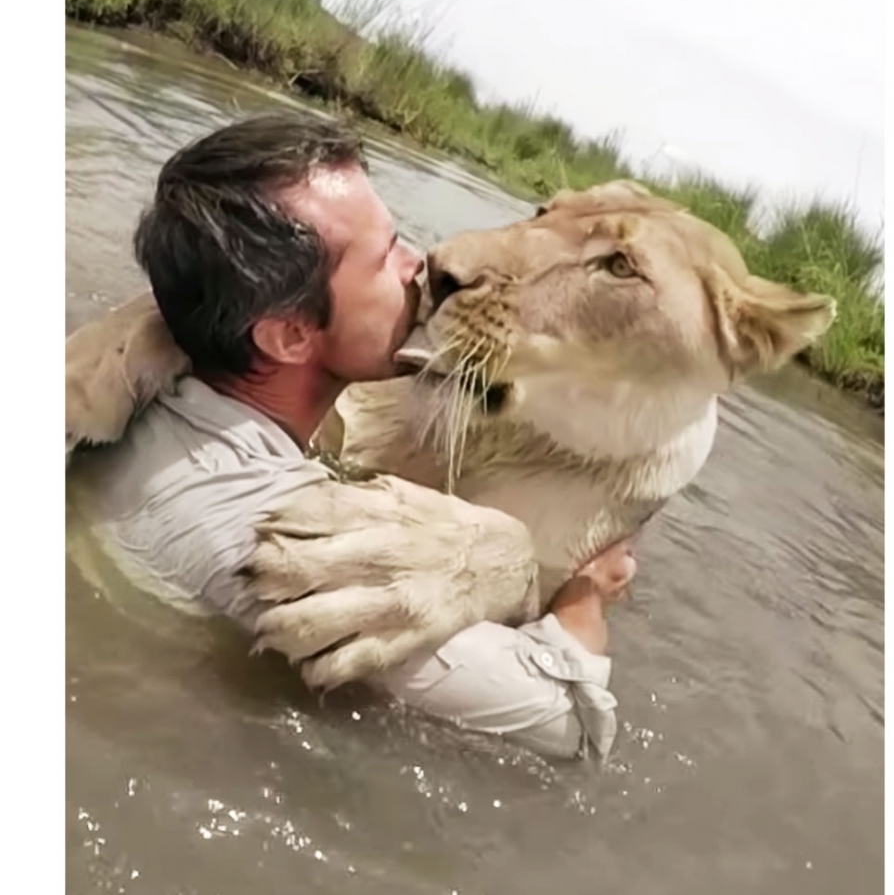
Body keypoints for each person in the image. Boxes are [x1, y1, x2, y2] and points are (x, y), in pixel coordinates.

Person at [66, 113, 636, 761]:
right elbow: (575, 731)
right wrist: (588, 597)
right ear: (288, 335)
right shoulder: (296, 552)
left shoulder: (134, 395)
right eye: (386, 255)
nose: (420, 265)